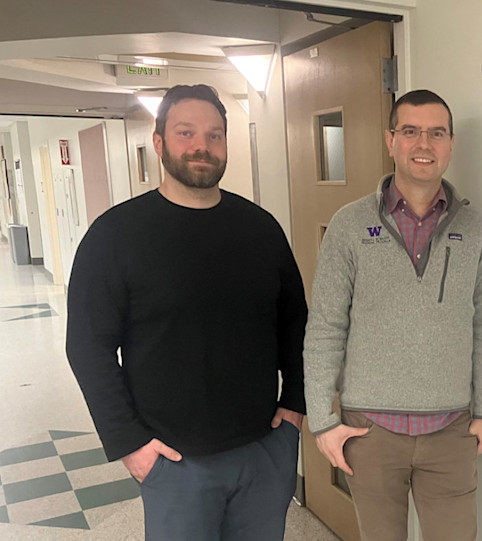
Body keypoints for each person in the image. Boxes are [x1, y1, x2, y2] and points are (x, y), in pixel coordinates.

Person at [66, 84, 307, 541]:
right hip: (172, 461)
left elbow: (295, 321)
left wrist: (295, 403)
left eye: (215, 135)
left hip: (263, 450)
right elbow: (87, 347)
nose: (202, 145)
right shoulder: (115, 235)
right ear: (159, 143)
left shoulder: (260, 230)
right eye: (185, 133)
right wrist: (129, 443)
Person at [303, 89, 482, 540]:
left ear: (450, 144)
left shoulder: (476, 229)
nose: (423, 144)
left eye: (436, 133)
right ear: (391, 140)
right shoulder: (349, 225)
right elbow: (326, 327)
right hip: (370, 431)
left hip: (451, 430)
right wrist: (323, 421)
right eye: (410, 131)